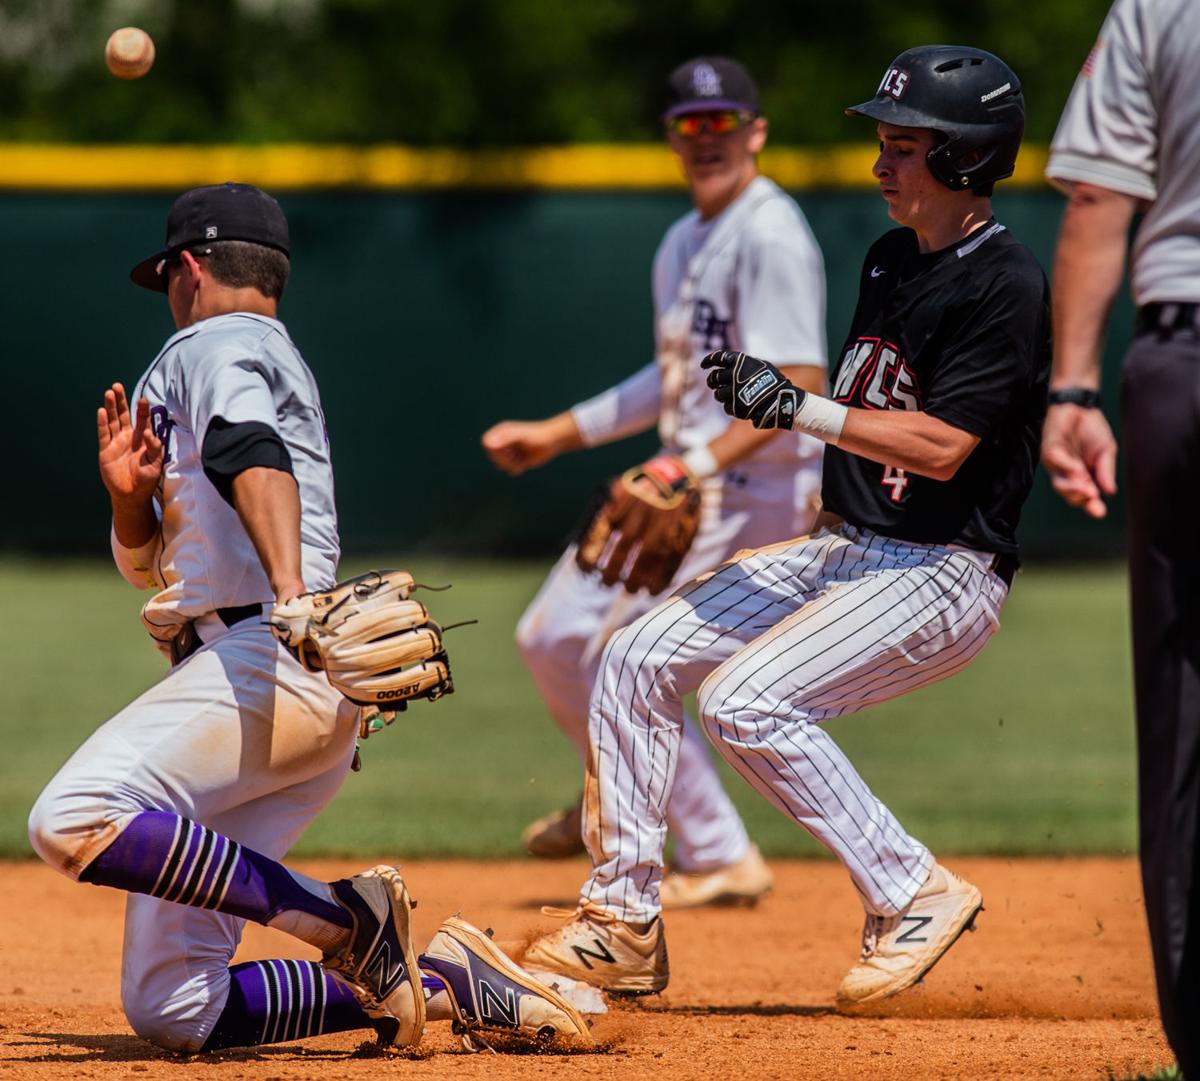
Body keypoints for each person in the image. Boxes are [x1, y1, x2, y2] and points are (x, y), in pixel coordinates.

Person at [522, 46, 1049, 1006]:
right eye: (883, 145)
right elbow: (862, 426)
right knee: (634, 655)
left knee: (744, 699)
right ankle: (622, 924)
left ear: (967, 159)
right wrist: (807, 536)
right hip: (846, 551)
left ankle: (912, 887)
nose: (882, 166)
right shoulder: (891, 259)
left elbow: (937, 447)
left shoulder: (1003, 282)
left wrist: (790, 411)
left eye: (903, 148)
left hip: (943, 573)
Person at [26, 182, 589, 1055]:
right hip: (280, 684)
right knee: (177, 1008)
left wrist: (292, 597)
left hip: (264, 662)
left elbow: (250, 450)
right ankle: (445, 980)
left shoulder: (208, 343)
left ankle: (344, 919)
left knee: (72, 814)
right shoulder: (264, 352)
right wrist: (131, 504)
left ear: (189, 268)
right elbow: (158, 565)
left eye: (166, 278)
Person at [482, 56, 828, 908]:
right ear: (672, 138)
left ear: (756, 130)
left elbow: (799, 377)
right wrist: (558, 434)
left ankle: (715, 851)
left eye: (723, 123)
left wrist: (693, 463)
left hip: (753, 491)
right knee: (551, 636)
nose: (706, 139)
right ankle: (617, 785)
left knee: (620, 656)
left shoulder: (769, 233)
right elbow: (673, 379)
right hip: (688, 481)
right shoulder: (684, 241)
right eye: (689, 125)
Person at [1041, 1, 1200, 1073]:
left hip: (1183, 360)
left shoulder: (1157, 2)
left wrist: (1072, 387)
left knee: (1187, 696)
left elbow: (1102, 191)